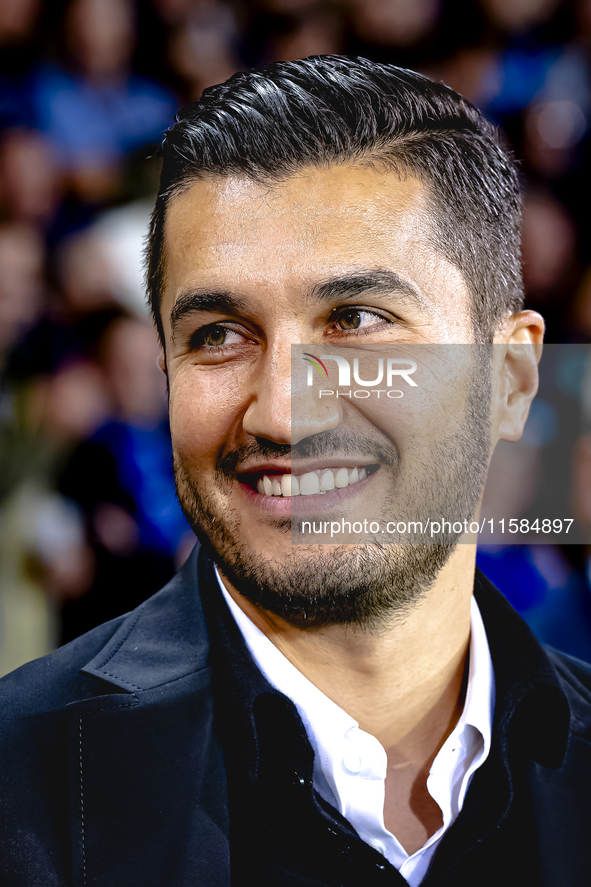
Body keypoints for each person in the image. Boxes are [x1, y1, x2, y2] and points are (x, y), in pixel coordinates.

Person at [1, 56, 589, 887]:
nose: (279, 412)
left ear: (510, 380)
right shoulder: (19, 783)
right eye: (217, 334)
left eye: (353, 319)